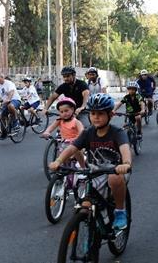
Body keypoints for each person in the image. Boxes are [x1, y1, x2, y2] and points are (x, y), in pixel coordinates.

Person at [49, 93, 132, 230]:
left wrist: (126, 164)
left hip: (116, 170)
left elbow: (125, 150)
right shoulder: (88, 133)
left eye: (100, 113)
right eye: (93, 113)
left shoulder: (117, 133)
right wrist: (58, 161)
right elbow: (71, 148)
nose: (96, 117)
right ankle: (91, 240)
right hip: (95, 172)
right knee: (85, 207)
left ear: (110, 115)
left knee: (114, 179)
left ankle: (120, 211)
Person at [42, 97, 85, 168]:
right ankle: (66, 168)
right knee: (63, 157)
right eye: (61, 112)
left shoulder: (76, 122)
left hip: (76, 143)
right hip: (64, 142)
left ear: (72, 109)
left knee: (77, 154)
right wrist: (47, 132)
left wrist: (80, 139)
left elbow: (82, 132)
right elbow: (52, 127)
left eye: (66, 111)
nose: (64, 113)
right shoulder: (59, 120)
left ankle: (83, 167)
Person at [0, 73, 22, 140]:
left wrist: (8, 99)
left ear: (3, 77)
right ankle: (4, 133)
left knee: (10, 106)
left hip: (15, 100)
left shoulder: (9, 83)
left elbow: (11, 91)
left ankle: (16, 121)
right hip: (5, 102)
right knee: (2, 116)